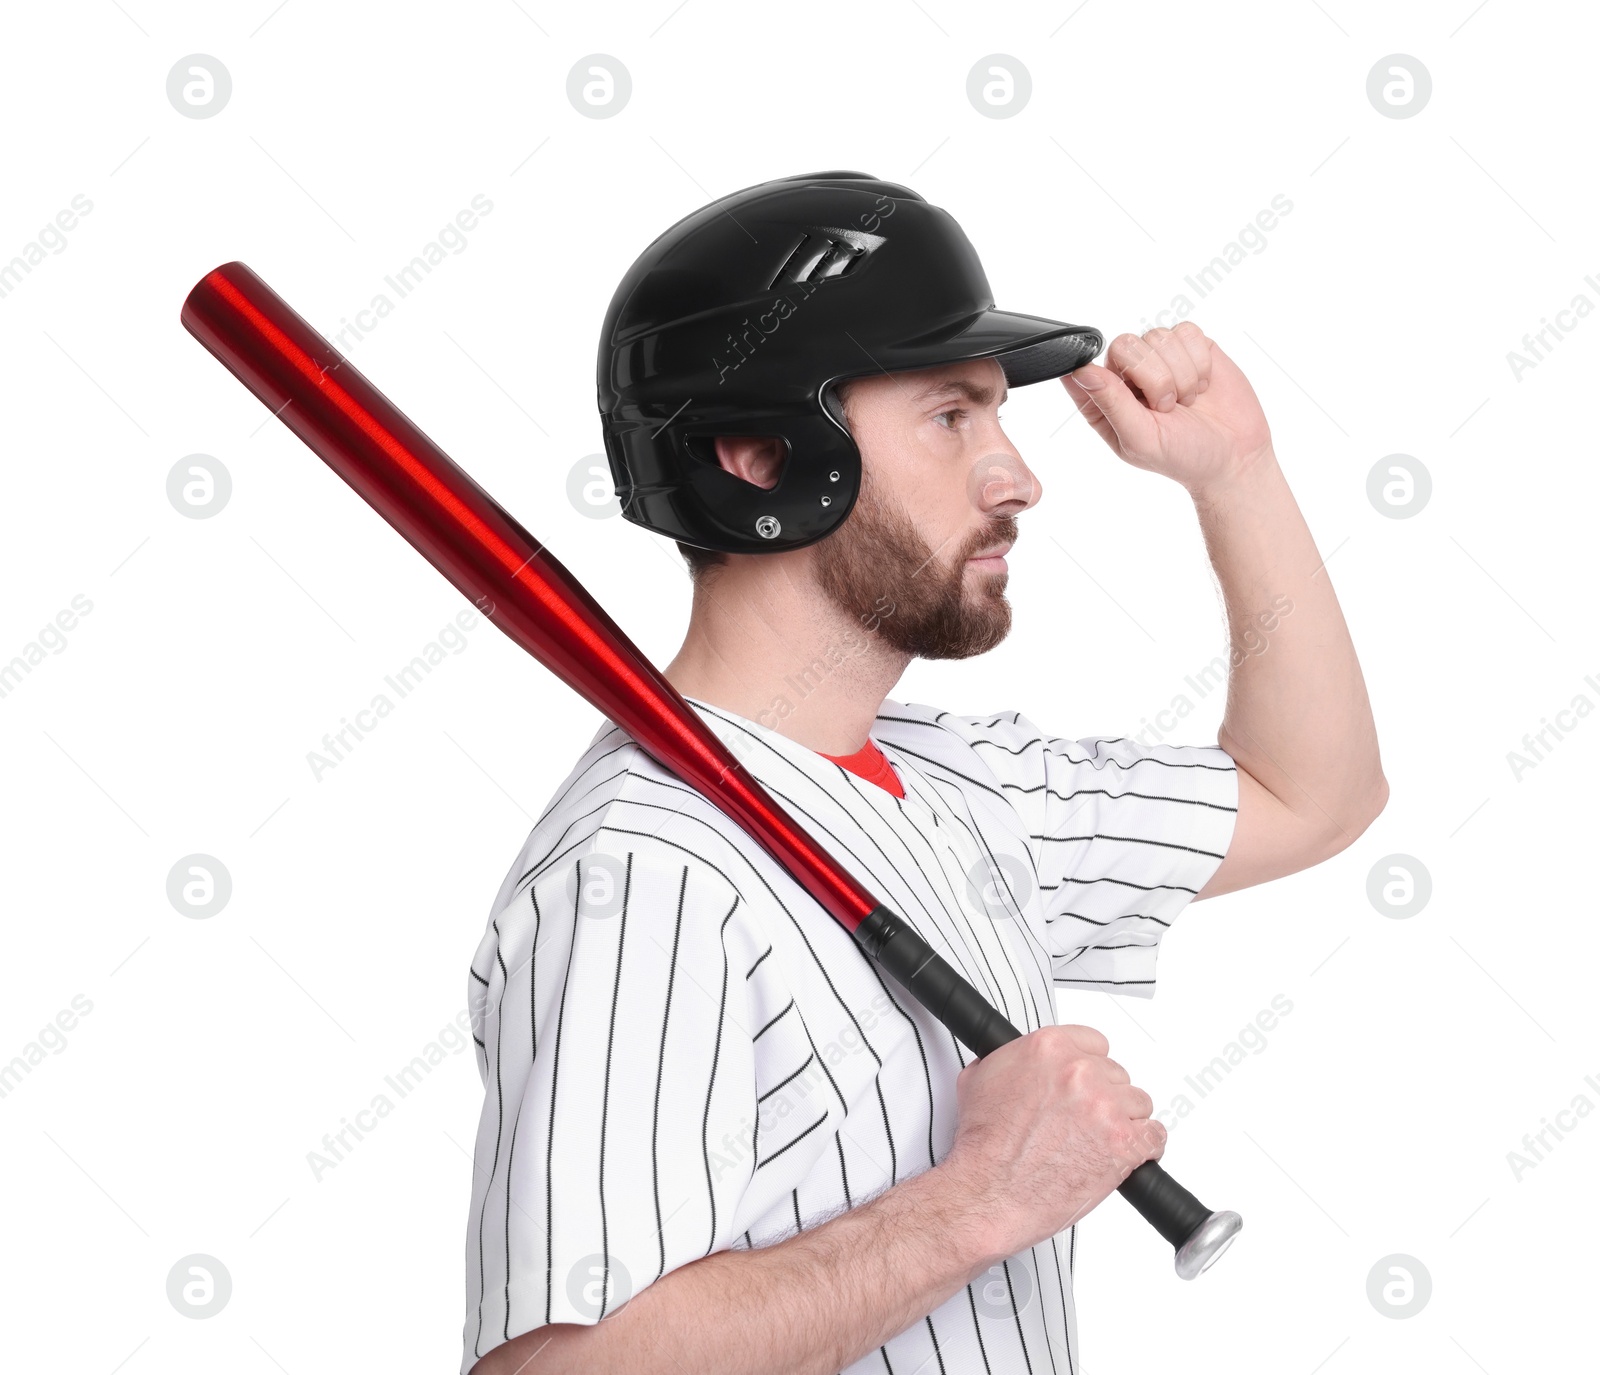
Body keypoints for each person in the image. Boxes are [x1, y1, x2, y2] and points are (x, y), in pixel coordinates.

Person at [462, 172, 1387, 1375]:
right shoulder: (642, 874)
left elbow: (1311, 794)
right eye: (950, 417)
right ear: (760, 455)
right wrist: (982, 1201)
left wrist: (1236, 476)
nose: (1015, 476)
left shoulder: (959, 784)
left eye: (996, 415)